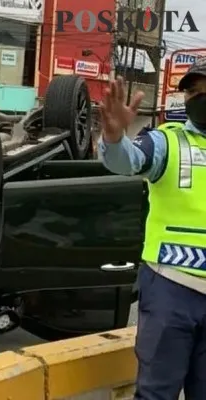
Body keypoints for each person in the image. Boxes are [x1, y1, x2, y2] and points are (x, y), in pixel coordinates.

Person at [99, 60, 206, 400]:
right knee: (157, 393)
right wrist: (115, 139)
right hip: (172, 288)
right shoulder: (167, 142)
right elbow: (128, 160)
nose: (199, 96)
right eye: (192, 90)